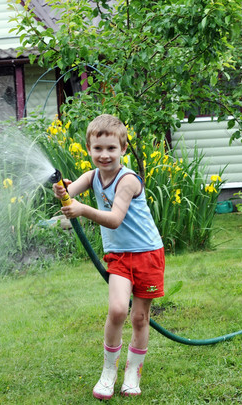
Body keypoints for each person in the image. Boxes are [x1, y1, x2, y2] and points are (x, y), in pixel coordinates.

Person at [53, 114, 165, 400]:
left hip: (148, 254)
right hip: (119, 256)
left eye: (111, 149)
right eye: (98, 149)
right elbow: (69, 193)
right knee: (117, 310)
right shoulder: (92, 176)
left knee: (140, 318)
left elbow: (114, 219)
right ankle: (108, 372)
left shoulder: (127, 181)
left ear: (123, 150)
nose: (104, 155)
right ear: (89, 149)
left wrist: (82, 210)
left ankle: (132, 373)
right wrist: (62, 191)